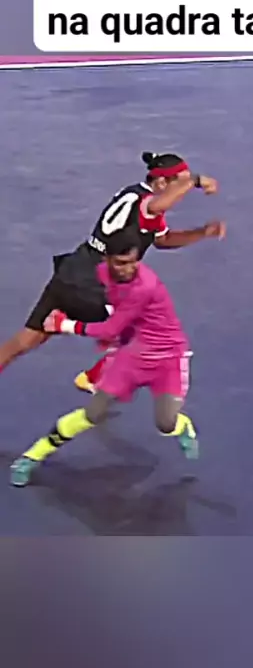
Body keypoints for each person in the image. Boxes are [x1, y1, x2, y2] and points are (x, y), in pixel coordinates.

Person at [0, 151, 225, 392]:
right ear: (161, 182)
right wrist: (196, 180)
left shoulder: (134, 195)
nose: (183, 188)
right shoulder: (148, 204)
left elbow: (163, 239)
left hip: (72, 269)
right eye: (179, 183)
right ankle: (93, 377)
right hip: (94, 284)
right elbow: (159, 205)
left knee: (27, 339)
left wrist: (202, 232)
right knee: (143, 331)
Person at [10, 230, 199, 488]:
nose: (128, 269)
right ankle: (31, 457)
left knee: (166, 423)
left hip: (167, 357)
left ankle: (182, 426)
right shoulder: (102, 274)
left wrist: (64, 325)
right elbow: (110, 307)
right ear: (107, 259)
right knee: (93, 413)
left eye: (133, 262)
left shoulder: (144, 287)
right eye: (121, 263)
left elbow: (110, 328)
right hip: (132, 354)